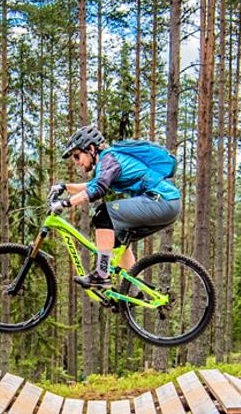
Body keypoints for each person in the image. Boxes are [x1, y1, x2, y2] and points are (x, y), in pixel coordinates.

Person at [51, 124, 181, 290]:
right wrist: (64, 187)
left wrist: (65, 203)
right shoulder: (108, 162)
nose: (77, 163)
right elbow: (93, 184)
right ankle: (134, 292)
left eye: (77, 156)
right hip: (166, 204)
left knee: (102, 214)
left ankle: (101, 274)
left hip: (162, 200)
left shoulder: (108, 158)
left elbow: (98, 190)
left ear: (91, 148)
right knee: (117, 241)